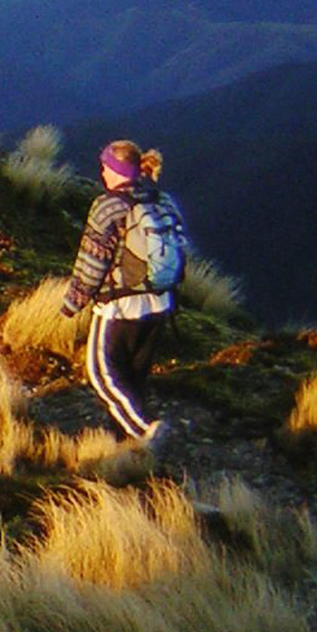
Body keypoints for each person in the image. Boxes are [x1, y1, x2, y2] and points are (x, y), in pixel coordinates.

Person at [61, 140, 188, 451]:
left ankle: (145, 431)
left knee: (102, 375)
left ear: (115, 169)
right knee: (134, 378)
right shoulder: (162, 200)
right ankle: (125, 448)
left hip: (119, 307)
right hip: (160, 303)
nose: (102, 172)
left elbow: (93, 262)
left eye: (105, 166)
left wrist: (72, 304)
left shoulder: (108, 206)